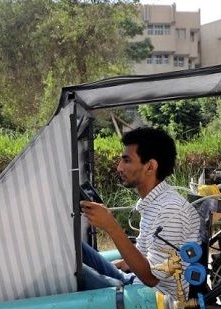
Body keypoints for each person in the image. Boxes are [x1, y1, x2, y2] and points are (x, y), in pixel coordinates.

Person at [80, 126, 201, 299]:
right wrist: (124, 263)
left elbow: (152, 278)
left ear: (150, 166)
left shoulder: (170, 210)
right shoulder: (154, 203)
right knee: (75, 250)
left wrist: (111, 226)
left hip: (152, 301)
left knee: (69, 269)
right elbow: (148, 256)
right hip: (135, 282)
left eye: (127, 160)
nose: (119, 168)